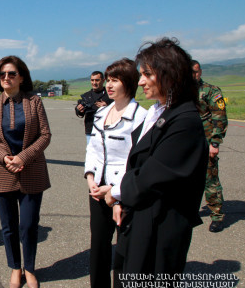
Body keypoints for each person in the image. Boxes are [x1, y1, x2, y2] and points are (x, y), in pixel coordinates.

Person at [106, 38, 208, 282]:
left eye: (147, 74)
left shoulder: (184, 122)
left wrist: (116, 192)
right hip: (139, 218)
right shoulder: (159, 111)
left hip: (160, 227)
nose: (140, 81)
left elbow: (152, 176)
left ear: (170, 75)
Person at [0, 56, 51, 288]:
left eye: (11, 74)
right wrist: (4, 157)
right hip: (2, 171)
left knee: (29, 224)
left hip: (31, 170)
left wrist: (23, 157)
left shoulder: (34, 102)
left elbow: (45, 135)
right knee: (8, 226)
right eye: (2, 74)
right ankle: (15, 268)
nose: (6, 78)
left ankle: (29, 268)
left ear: (21, 76)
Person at [83, 58, 147, 288]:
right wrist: (90, 178)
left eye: (115, 81)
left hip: (123, 192)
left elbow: (137, 161)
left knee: (124, 252)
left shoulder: (141, 117)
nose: (108, 85)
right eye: (107, 80)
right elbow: (93, 149)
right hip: (97, 190)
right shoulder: (101, 114)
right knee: (98, 247)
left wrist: (115, 190)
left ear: (129, 83)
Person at [191, 60, 228, 233]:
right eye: (191, 72)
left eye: (196, 72)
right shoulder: (180, 92)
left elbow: (219, 118)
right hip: (187, 142)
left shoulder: (211, 91)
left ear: (201, 72)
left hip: (206, 141)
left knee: (210, 179)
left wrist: (215, 143)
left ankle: (216, 216)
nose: (194, 75)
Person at [75, 71, 113, 144]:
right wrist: (79, 109)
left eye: (97, 80)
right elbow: (80, 114)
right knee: (91, 154)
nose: (94, 83)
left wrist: (107, 107)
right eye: (92, 80)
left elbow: (118, 109)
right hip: (90, 130)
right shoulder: (86, 96)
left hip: (106, 130)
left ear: (103, 80)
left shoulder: (110, 95)